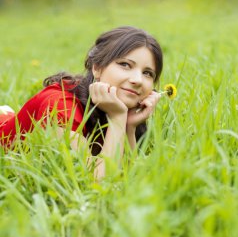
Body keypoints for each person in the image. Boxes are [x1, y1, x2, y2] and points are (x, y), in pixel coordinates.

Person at [0, 26, 163, 180]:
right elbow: (96, 181)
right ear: (97, 68)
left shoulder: (113, 106)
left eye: (147, 73)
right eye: (125, 65)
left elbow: (127, 176)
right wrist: (118, 118)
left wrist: (129, 126)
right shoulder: (60, 106)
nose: (137, 80)